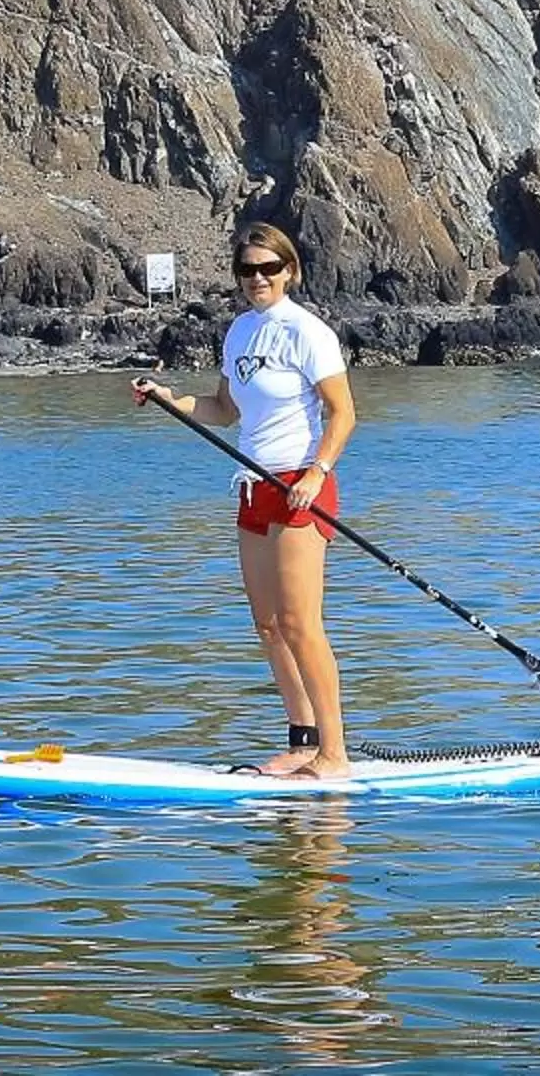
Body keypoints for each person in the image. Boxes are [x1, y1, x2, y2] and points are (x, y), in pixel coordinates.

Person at [131, 221, 359, 779]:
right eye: (247, 270)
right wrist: (170, 399)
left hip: (299, 485)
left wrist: (317, 473)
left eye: (268, 268)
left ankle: (335, 755)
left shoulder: (308, 332)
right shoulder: (238, 332)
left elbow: (343, 414)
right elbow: (224, 410)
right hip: (253, 487)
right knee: (268, 625)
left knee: (300, 623)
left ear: (289, 271)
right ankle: (303, 741)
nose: (258, 278)